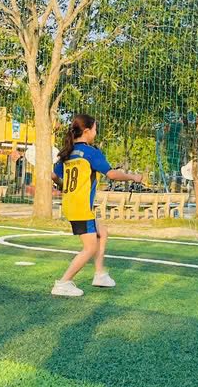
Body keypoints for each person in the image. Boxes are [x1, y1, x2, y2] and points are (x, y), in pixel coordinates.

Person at [51, 114, 143, 297]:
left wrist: (64, 186)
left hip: (72, 204)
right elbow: (111, 174)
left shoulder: (68, 152)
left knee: (102, 232)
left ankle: (100, 275)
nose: (96, 132)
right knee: (90, 248)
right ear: (86, 131)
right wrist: (133, 177)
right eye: (95, 129)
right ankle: (63, 283)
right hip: (81, 207)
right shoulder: (91, 152)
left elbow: (54, 176)